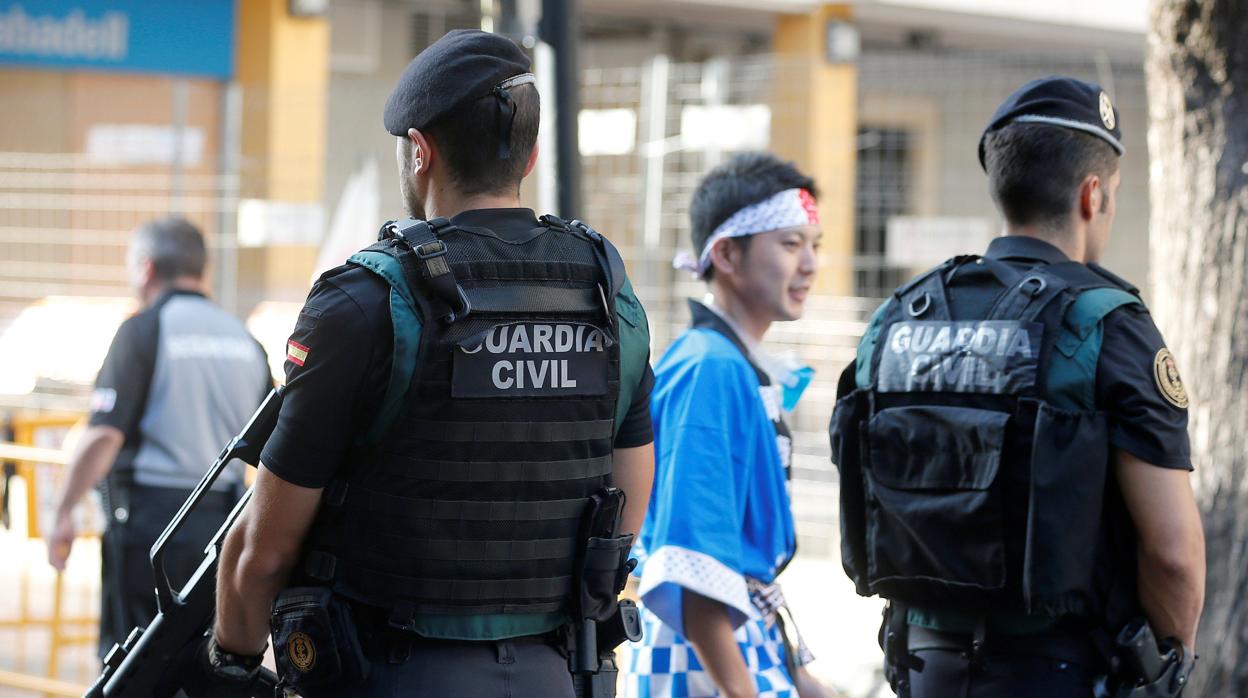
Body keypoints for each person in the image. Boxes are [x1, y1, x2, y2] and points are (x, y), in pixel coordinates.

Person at [200, 30, 656, 698]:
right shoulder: (607, 294)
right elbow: (624, 513)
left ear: (420, 153)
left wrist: (230, 659)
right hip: (562, 672)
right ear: (529, 157)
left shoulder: (364, 301)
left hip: (390, 671)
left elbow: (264, 548)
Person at [830, 76, 1206, 697]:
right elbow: (1172, 553)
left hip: (921, 668)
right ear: (1093, 196)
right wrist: (1170, 667)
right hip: (1060, 671)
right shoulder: (1107, 322)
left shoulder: (898, 316)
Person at [624, 152, 833, 698]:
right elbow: (691, 563)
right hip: (707, 652)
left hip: (729, 639)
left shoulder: (726, 361)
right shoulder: (710, 369)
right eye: (791, 244)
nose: (810, 264)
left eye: (815, 245)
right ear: (727, 254)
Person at [46, 216, 272, 658]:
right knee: (199, 662)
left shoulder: (143, 330)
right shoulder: (244, 341)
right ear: (200, 269)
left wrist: (62, 510)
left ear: (145, 269)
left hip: (152, 527)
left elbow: (102, 438)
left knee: (135, 663)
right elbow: (270, 446)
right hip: (222, 527)